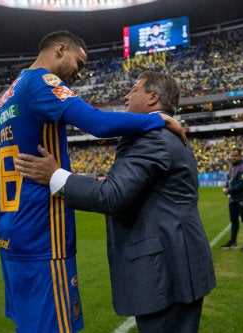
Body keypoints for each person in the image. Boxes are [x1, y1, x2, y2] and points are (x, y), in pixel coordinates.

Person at [0, 31, 185, 333]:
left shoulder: (8, 94)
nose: (80, 74)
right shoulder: (41, 81)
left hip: (11, 227)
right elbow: (97, 123)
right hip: (43, 231)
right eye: (79, 63)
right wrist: (157, 119)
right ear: (60, 49)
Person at [15, 71, 216, 333]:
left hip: (167, 270)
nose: (126, 96)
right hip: (176, 263)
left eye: (134, 90)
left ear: (154, 97)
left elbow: (112, 195)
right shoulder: (160, 134)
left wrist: (56, 177)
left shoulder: (153, 137)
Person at [221, 148, 243, 252]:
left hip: (242, 198)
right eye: (232, 155)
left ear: (240, 156)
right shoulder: (232, 167)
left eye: (235, 156)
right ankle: (233, 242)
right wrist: (226, 184)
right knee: (234, 220)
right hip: (233, 198)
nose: (233, 157)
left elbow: (242, 184)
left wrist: (229, 190)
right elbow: (230, 179)